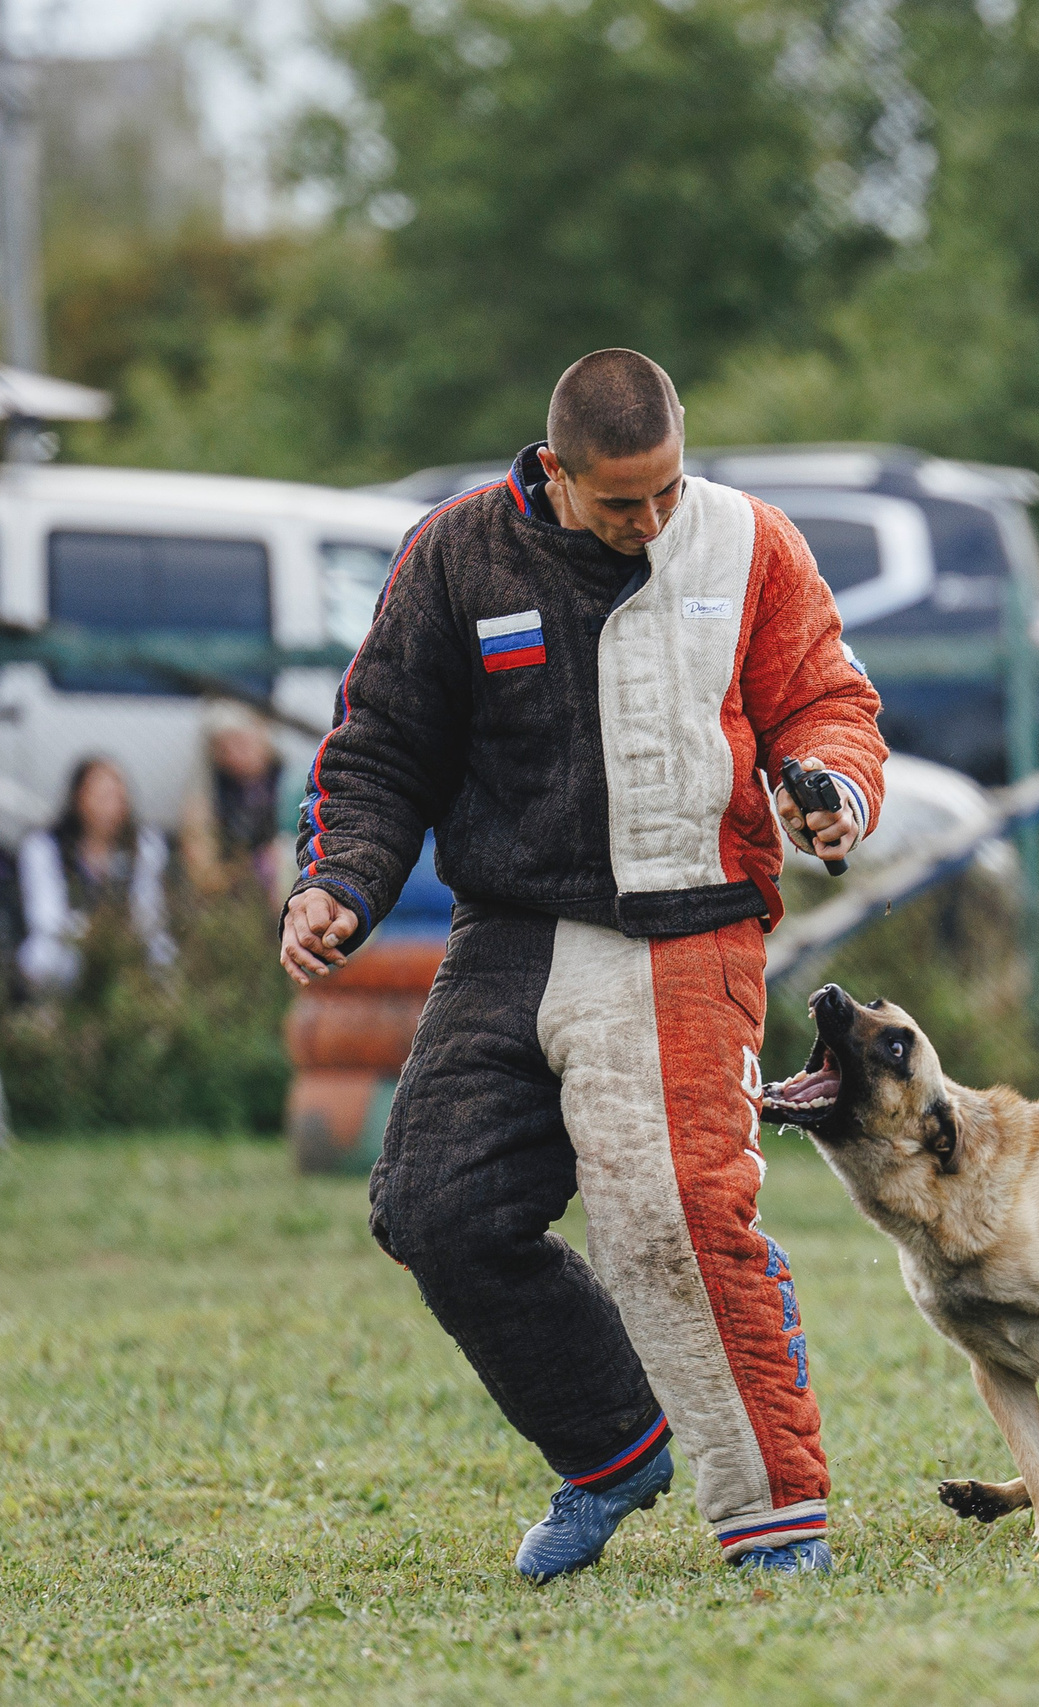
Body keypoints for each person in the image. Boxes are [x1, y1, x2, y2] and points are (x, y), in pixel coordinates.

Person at [277, 349, 885, 1581]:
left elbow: (827, 702)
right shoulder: (456, 555)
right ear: (553, 472)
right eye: (620, 504)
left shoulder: (750, 545)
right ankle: (614, 1447)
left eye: (667, 491)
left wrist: (831, 791)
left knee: (675, 1218)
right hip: (509, 930)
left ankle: (775, 1516)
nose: (651, 522)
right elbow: (381, 746)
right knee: (435, 1210)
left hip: (688, 921)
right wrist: (338, 882)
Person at [17, 756, 175, 990]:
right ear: (78, 799)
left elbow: (149, 906)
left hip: (128, 939)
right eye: (102, 798)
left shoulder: (146, 844)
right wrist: (93, 933)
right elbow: (45, 915)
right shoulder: (44, 846)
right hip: (69, 942)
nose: (111, 808)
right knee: (40, 957)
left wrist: (122, 934)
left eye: (118, 798)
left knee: (164, 954)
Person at [178, 701, 285, 895]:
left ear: (261, 738)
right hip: (234, 883)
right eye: (224, 748)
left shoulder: (290, 780)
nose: (234, 754)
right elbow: (202, 861)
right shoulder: (212, 790)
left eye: (241, 743)